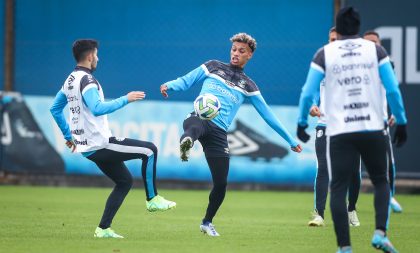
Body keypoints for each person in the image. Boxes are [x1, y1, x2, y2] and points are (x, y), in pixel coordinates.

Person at [160, 33, 302, 236]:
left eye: (241, 51)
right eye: (234, 49)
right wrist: (170, 85)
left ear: (250, 55)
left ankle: (207, 222)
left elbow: (267, 115)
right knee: (193, 127)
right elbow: (187, 80)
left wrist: (290, 140)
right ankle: (187, 143)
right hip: (199, 118)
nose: (236, 53)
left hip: (219, 133)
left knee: (221, 183)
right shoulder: (213, 66)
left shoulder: (248, 85)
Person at [297, 7, 407, 253]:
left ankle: (345, 247)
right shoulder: (375, 51)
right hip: (370, 127)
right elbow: (392, 90)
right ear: (358, 28)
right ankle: (380, 233)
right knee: (380, 180)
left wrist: (301, 121)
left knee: (339, 185)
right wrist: (402, 120)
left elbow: (306, 92)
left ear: (339, 27)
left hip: (340, 129)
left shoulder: (324, 54)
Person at [50, 39, 176, 239]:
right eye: (97, 55)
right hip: (100, 143)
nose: (97, 59)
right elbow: (97, 108)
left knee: (124, 181)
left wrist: (68, 136)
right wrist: (126, 98)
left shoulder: (70, 80)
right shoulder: (87, 80)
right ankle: (152, 199)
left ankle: (103, 229)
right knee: (150, 150)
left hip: (87, 148)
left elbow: (55, 109)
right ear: (91, 56)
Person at [301, 27, 361, 227]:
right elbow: (313, 93)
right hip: (325, 125)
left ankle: (351, 208)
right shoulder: (322, 63)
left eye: (337, 39)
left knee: (353, 172)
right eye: (331, 39)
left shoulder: (357, 66)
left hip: (350, 126)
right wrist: (312, 106)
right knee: (323, 168)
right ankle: (319, 214)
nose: (334, 42)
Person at [363, 30, 403, 213]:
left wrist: (395, 112)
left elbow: (391, 91)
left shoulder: (386, 64)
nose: (372, 45)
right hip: (357, 121)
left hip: (380, 122)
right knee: (350, 165)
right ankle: (348, 201)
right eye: (368, 42)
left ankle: (390, 197)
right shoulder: (354, 65)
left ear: (380, 44)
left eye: (374, 42)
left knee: (389, 164)